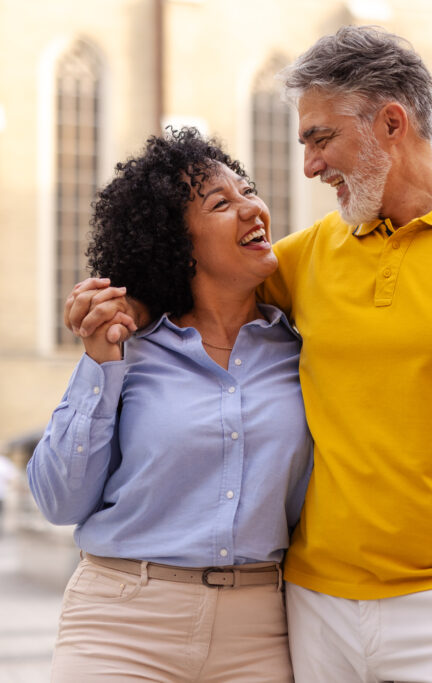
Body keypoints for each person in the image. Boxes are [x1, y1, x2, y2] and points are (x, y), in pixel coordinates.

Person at [70, 25, 432, 682]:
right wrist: (126, 311)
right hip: (315, 606)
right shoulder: (308, 255)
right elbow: (198, 281)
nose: (309, 166)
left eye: (321, 138)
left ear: (390, 123)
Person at [30, 128, 312, 682]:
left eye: (248, 191)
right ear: (178, 244)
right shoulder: (128, 346)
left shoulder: (303, 350)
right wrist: (99, 365)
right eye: (221, 203)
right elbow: (59, 501)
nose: (252, 207)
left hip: (258, 630)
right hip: (121, 623)